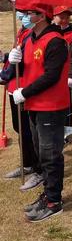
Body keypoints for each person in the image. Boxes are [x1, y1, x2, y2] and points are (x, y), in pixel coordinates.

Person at [9, 4, 69, 222]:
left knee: (51, 154)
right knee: (40, 152)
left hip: (50, 106)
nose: (26, 16)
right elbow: (28, 67)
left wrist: (25, 91)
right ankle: (48, 193)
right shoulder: (29, 38)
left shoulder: (55, 41)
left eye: (30, 13)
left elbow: (51, 75)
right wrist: (13, 59)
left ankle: (54, 201)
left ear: (43, 15)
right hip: (33, 105)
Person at [1, 11, 43, 192]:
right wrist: (5, 59)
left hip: (24, 88)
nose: (23, 17)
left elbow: (26, 62)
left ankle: (37, 168)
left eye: (26, 14)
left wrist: (4, 74)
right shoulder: (22, 32)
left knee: (29, 130)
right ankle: (27, 163)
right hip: (13, 88)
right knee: (20, 128)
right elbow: (14, 59)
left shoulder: (34, 36)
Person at [53, 6, 72, 128]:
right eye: (61, 17)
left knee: (68, 106)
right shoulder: (49, 34)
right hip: (52, 79)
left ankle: (66, 132)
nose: (64, 20)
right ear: (54, 17)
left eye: (67, 17)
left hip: (67, 80)